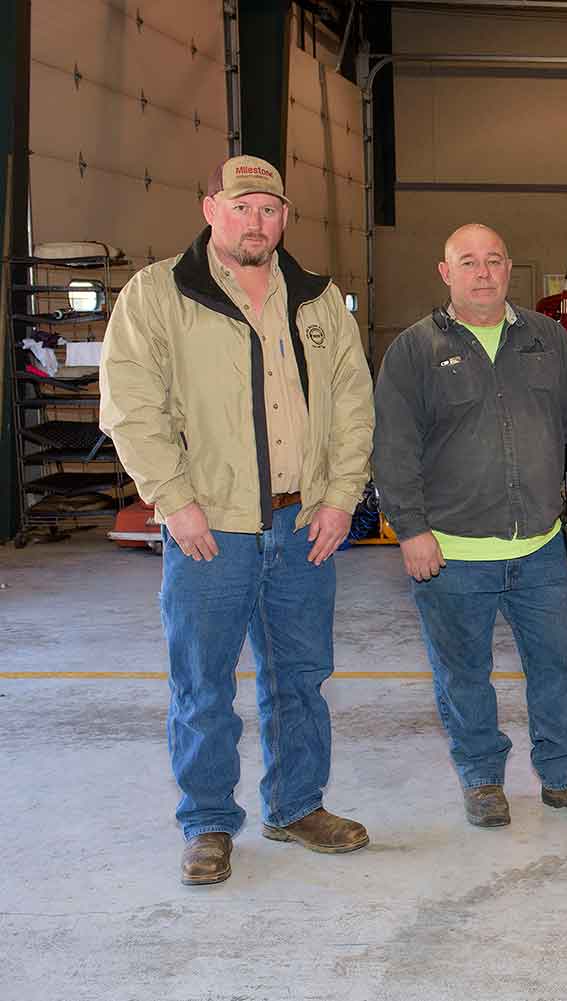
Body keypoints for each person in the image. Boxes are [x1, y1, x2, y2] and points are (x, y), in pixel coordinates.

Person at [99, 155, 376, 886]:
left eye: (270, 209)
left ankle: (296, 806)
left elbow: (353, 406)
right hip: (209, 528)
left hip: (301, 525)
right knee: (203, 682)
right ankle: (209, 822)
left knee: (301, 678)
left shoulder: (318, 301)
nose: (257, 222)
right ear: (210, 209)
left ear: (285, 219)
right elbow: (132, 405)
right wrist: (173, 499)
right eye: (242, 206)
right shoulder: (159, 294)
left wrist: (341, 497)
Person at [372, 223, 567, 829]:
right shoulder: (414, 350)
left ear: (510, 268)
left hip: (539, 548)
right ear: (445, 272)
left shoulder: (548, 341)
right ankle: (482, 780)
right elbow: (393, 448)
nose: (483, 273)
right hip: (451, 553)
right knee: (464, 676)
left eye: (493, 261)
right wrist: (409, 529)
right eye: (468, 262)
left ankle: (566, 777)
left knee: (560, 668)